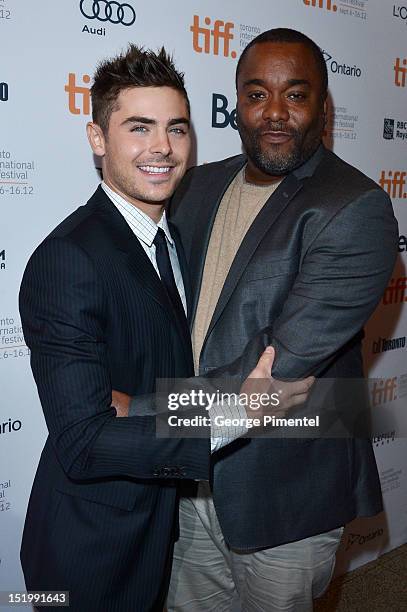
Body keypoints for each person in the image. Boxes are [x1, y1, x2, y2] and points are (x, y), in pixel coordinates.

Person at [19, 44, 311, 612]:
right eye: (139, 127)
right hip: (92, 546)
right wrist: (239, 412)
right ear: (97, 139)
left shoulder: (174, 236)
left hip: (161, 527)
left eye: (177, 129)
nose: (162, 147)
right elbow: (85, 443)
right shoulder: (68, 258)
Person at [166, 29, 399, 611]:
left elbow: (277, 368)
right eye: (256, 94)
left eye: (295, 96)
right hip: (192, 475)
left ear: (323, 106)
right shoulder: (197, 186)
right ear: (236, 103)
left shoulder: (354, 206)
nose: (273, 113)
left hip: (285, 486)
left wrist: (144, 412)